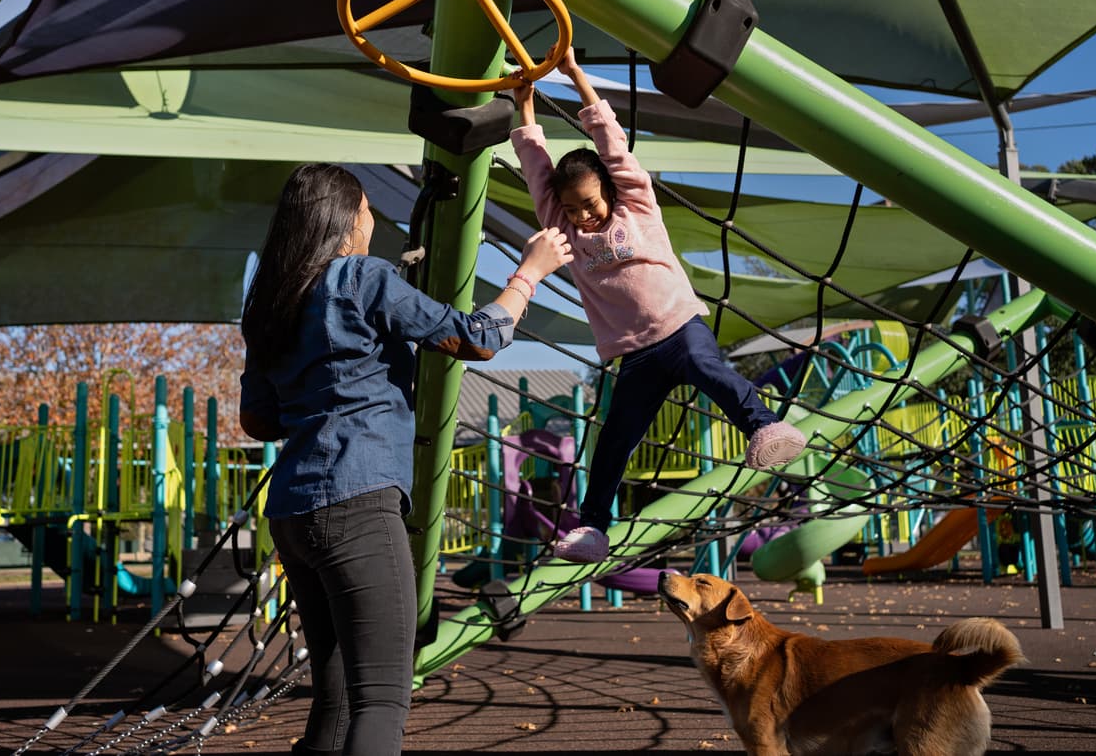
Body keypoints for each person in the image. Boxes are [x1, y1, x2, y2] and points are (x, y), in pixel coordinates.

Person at [238, 163, 572, 756]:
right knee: (382, 697)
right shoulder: (362, 278)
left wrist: (321, 392)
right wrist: (531, 271)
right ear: (345, 221)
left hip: (291, 513)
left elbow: (258, 420)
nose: (371, 219)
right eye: (366, 208)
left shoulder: (270, 302)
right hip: (358, 503)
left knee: (336, 692)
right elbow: (477, 338)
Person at [510, 49, 807, 564]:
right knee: (615, 439)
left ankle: (764, 426)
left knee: (709, 370)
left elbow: (612, 141)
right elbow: (537, 170)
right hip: (636, 355)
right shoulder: (563, 229)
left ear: (609, 188)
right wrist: (525, 104)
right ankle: (594, 527)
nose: (583, 214)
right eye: (574, 208)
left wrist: (576, 74)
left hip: (679, 327)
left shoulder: (635, 203)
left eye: (590, 203)